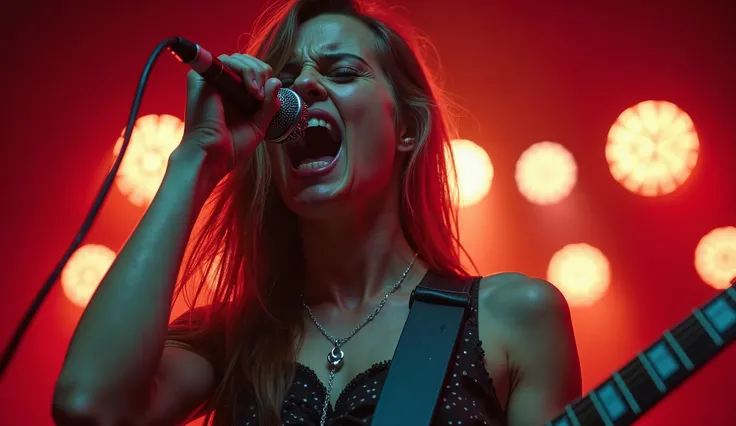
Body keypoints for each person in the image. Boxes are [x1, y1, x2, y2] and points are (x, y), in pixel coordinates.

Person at [52, 0, 582, 425]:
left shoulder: (511, 317)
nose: (303, 87)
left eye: (342, 72)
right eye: (285, 78)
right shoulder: (234, 336)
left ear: (406, 130)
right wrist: (196, 160)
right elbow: (91, 407)